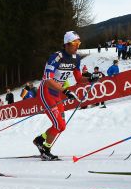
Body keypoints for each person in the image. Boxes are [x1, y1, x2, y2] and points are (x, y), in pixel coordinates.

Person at [33, 31, 99, 160]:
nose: (77, 46)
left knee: (61, 126)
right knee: (59, 125)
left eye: (78, 43)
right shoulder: (56, 57)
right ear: (67, 44)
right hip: (46, 92)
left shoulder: (76, 59)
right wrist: (65, 90)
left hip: (57, 93)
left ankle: (40, 140)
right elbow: (47, 80)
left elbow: (79, 79)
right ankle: (45, 150)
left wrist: (90, 78)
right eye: (75, 43)